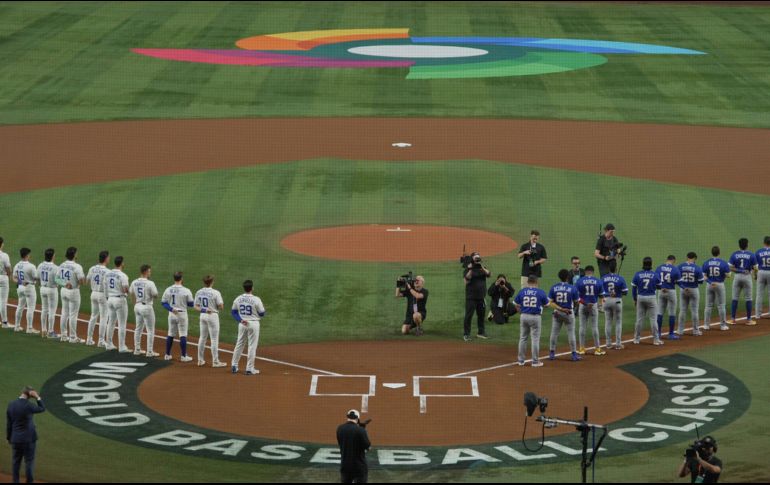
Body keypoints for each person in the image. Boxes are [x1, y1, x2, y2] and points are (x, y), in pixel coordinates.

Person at [514, 276, 569, 367]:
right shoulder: (540, 292)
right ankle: (535, 362)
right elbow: (547, 305)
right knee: (535, 339)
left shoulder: (522, 291)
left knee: (523, 338)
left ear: (528, 282)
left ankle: (521, 361)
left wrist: (522, 313)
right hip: (535, 317)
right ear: (536, 282)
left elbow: (516, 305)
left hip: (523, 316)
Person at [6, 386, 45, 484]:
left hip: (15, 439)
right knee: (29, 462)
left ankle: (15, 481)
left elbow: (9, 424)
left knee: (16, 462)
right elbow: (42, 408)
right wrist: (38, 397)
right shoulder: (29, 405)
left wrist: (9, 437)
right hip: (29, 440)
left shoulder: (11, 404)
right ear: (30, 393)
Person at [230, 279, 265, 375]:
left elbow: (233, 312)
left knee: (239, 344)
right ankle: (249, 369)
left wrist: (240, 320)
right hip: (253, 324)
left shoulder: (238, 298)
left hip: (242, 323)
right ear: (252, 288)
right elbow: (262, 313)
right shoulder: (256, 299)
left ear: (244, 288)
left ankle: (234, 366)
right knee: (252, 346)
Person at [547, 269, 581, 361]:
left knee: (554, 333)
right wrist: (573, 308)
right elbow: (577, 302)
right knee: (571, 333)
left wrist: (560, 309)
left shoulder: (554, 287)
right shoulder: (572, 288)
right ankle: (574, 354)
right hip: (569, 313)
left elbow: (550, 303)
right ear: (567, 277)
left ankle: (552, 353)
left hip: (557, 313)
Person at [161, 272, 195, 362]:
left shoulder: (168, 289)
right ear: (182, 279)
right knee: (183, 334)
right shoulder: (186, 290)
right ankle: (184, 356)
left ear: (174, 278)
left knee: (170, 334)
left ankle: (167, 355)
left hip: (172, 314)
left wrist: (171, 309)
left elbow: (163, 303)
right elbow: (191, 304)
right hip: (182, 314)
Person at [194, 275, 227, 367]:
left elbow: (195, 306)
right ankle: (215, 362)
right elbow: (221, 307)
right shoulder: (216, 292)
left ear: (204, 283)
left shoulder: (199, 292)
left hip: (203, 315)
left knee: (202, 338)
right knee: (214, 339)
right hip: (213, 316)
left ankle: (200, 360)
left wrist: (204, 310)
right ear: (212, 282)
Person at [129, 264, 159, 357]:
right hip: (147, 307)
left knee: (138, 328)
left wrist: (135, 304)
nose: (150, 273)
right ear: (145, 272)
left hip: (137, 306)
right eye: (149, 271)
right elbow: (156, 295)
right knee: (150, 330)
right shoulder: (150, 283)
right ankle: (149, 352)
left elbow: (131, 293)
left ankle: (137, 349)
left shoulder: (134, 282)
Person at [57, 247, 85, 343]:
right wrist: (79, 282)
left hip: (63, 290)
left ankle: (63, 336)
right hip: (73, 292)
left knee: (64, 313)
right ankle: (73, 337)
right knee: (73, 315)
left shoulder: (61, 265)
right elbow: (82, 281)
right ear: (74, 255)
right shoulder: (77, 267)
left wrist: (64, 284)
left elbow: (56, 279)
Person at [576, 266, 606, 355]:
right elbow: (601, 296)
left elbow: (577, 297)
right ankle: (597, 349)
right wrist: (600, 305)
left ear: (585, 272)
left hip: (583, 305)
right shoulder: (598, 281)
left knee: (582, 327)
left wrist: (584, 303)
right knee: (594, 327)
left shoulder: (580, 281)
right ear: (592, 272)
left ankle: (581, 349)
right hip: (593, 305)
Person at [632, 257, 663, 345]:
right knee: (653, 320)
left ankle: (636, 339)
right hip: (651, 298)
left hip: (640, 298)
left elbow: (634, 288)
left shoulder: (637, 274)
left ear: (643, 263)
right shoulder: (655, 274)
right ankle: (656, 340)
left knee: (639, 320)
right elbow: (659, 287)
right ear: (651, 264)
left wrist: (635, 299)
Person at [337, 409, 371, 484]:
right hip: (359, 467)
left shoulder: (339, 428)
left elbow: (342, 443)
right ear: (358, 419)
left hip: (345, 466)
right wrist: (363, 429)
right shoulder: (360, 430)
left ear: (347, 417)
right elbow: (368, 446)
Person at [104, 256, 130, 352]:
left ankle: (109, 344)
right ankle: (122, 346)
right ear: (122, 263)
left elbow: (105, 287)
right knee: (122, 324)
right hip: (119, 300)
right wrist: (127, 292)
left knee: (111, 322)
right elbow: (125, 289)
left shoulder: (107, 274)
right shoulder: (123, 276)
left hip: (110, 299)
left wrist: (108, 297)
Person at [728, 238, 757, 325]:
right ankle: (748, 320)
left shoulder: (734, 254)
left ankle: (733, 319)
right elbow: (756, 268)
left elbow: (730, 267)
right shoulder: (751, 255)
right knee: (748, 298)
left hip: (737, 277)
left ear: (739, 245)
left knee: (735, 298)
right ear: (747, 245)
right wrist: (754, 274)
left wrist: (739, 271)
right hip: (747, 277)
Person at [463, 253, 491, 341]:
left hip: (481, 297)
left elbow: (489, 274)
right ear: (472, 259)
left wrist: (481, 266)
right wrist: (471, 268)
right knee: (468, 316)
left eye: (478, 257)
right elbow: (466, 280)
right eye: (476, 258)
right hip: (471, 297)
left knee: (481, 316)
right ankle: (466, 334)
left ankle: (481, 332)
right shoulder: (468, 269)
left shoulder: (482, 268)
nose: (477, 259)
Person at [601, 259, 629, 350]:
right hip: (617, 301)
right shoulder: (620, 278)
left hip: (606, 301)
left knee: (608, 322)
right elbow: (625, 292)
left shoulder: (603, 278)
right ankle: (618, 344)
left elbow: (600, 292)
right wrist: (617, 292)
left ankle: (608, 344)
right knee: (618, 322)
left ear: (609, 268)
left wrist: (607, 294)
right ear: (616, 268)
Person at [703, 246, 731, 331]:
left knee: (708, 306)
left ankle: (706, 325)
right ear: (719, 253)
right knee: (721, 305)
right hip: (720, 285)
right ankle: (723, 325)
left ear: (712, 252)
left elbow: (704, 276)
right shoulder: (723, 263)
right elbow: (729, 275)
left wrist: (710, 282)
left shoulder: (706, 262)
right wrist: (722, 275)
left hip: (710, 285)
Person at [86, 251, 110, 347]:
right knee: (104, 318)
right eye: (108, 257)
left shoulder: (92, 268)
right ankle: (100, 341)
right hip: (102, 295)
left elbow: (87, 281)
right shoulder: (107, 271)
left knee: (93, 316)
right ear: (106, 258)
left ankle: (89, 339)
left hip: (93, 293)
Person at [678, 252, 705, 336]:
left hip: (683, 289)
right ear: (695, 258)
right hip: (693, 290)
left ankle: (680, 330)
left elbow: (676, 278)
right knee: (694, 311)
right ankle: (695, 331)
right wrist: (703, 278)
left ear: (687, 257)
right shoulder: (697, 268)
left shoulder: (680, 266)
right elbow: (700, 281)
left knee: (682, 310)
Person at [12, 248, 38, 334]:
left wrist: (21, 282)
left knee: (20, 306)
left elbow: (14, 278)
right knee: (30, 308)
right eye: (29, 254)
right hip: (29, 288)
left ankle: (16, 326)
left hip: (20, 287)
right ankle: (29, 328)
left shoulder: (17, 265)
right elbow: (36, 278)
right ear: (27, 255)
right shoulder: (31, 266)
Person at [656, 255, 681, 340]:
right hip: (671, 291)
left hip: (661, 291)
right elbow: (679, 282)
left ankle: (658, 333)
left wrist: (662, 287)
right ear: (673, 260)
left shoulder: (659, 268)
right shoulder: (675, 269)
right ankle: (671, 334)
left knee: (659, 312)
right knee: (672, 313)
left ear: (666, 259)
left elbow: (656, 280)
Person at [36, 249, 58, 339]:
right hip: (51, 289)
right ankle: (51, 331)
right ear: (52, 256)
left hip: (42, 288)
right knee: (52, 311)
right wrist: (65, 284)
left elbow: (37, 278)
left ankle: (43, 330)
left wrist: (41, 285)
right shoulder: (55, 267)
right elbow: (58, 280)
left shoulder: (40, 265)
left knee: (44, 309)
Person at [754, 236, 770, 321]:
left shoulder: (758, 252)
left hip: (761, 272)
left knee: (759, 294)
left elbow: (755, 266)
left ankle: (757, 315)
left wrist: (755, 275)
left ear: (764, 243)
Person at [0, 237, 11, 329]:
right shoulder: (4, 255)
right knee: (3, 301)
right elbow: (8, 269)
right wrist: (9, 275)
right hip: (3, 278)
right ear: (1, 244)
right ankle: (4, 322)